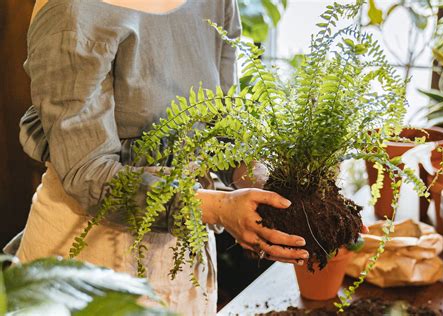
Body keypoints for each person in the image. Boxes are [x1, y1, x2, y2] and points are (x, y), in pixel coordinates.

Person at [8, 0, 309, 314]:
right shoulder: (73, 10)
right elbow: (88, 172)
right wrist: (219, 209)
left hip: (185, 262)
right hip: (90, 262)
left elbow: (220, 127)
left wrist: (269, 180)